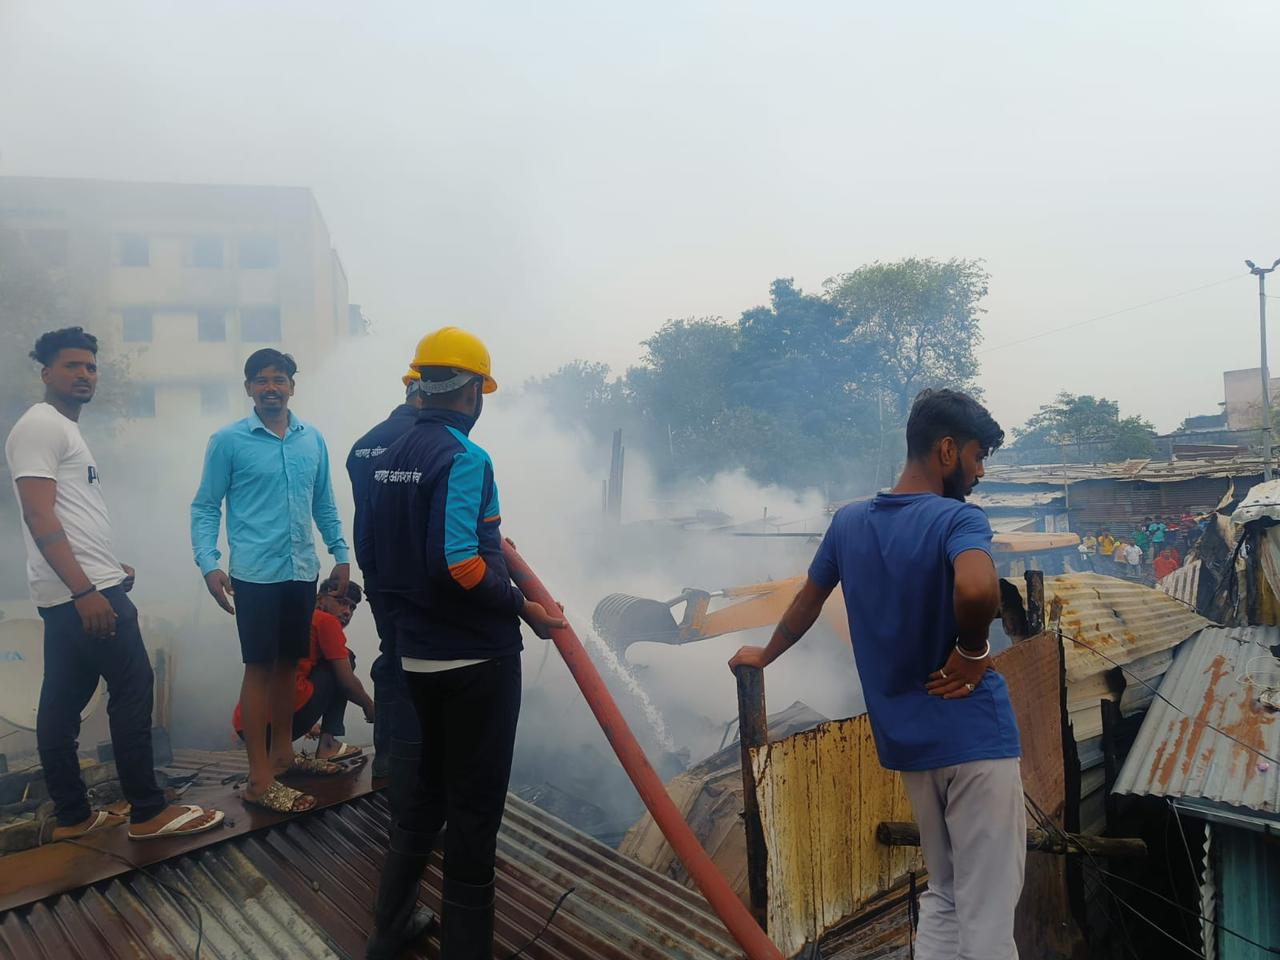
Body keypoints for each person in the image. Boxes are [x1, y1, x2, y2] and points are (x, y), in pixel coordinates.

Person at [730, 389, 1023, 960]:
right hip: (976, 740)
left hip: (911, 746)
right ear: (946, 449)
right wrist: (972, 649)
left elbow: (806, 602)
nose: (981, 470)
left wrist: (764, 655)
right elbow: (979, 588)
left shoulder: (849, 523)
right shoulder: (958, 518)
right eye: (977, 454)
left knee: (944, 894)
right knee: (988, 913)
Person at [362, 327, 566, 960]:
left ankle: (387, 932)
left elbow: (377, 548)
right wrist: (523, 608)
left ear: (419, 386)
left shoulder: (386, 452)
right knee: (474, 816)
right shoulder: (463, 457)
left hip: (416, 655)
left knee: (421, 799)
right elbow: (461, 563)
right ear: (475, 392)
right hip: (476, 660)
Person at [5, 328, 223, 841]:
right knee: (132, 688)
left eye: (90, 367)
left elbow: (69, 515)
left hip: (79, 587)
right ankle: (148, 812)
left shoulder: (60, 429)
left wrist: (107, 565)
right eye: (72, 366)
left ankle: (72, 817)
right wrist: (86, 590)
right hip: (83, 596)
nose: (84, 375)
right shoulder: (40, 427)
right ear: (46, 373)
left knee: (60, 702)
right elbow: (39, 516)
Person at [191, 348, 352, 815]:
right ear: (248, 389)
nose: (271, 388)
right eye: (261, 380)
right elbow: (205, 506)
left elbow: (323, 502)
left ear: (292, 386)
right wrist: (209, 563)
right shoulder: (229, 441)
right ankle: (259, 779)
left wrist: (340, 552)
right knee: (259, 668)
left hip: (302, 570)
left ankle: (284, 757)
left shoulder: (311, 440)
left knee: (288, 664)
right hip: (256, 575)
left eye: (279, 379)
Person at [346, 367, 430, 780]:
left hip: (375, 567)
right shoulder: (425, 441)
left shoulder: (363, 445)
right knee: (418, 661)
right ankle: (409, 763)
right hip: (414, 571)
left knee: (391, 650)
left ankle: (386, 755)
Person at [232, 577, 374, 760]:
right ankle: (328, 744)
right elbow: (346, 683)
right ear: (319, 600)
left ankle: (278, 751)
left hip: (248, 727)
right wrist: (369, 706)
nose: (347, 612)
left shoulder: (292, 618)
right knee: (345, 658)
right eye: (341, 602)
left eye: (352, 607)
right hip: (280, 723)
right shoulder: (325, 621)